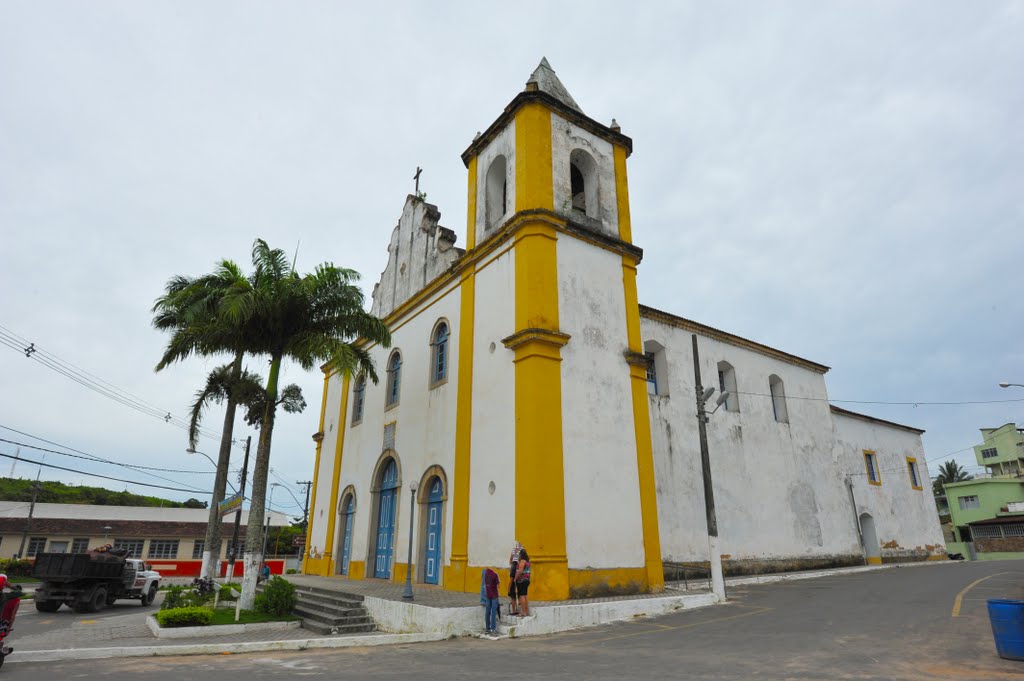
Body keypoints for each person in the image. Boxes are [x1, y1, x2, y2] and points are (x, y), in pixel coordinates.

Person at [482, 567, 500, 638]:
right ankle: (493, 629)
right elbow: (498, 586)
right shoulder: (495, 575)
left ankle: (487, 629)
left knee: (487, 611)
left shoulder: (485, 574)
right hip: (494, 595)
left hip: (488, 594)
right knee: (493, 612)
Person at [514, 547, 531, 617]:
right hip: (527, 580)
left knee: (522, 596)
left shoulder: (522, 562)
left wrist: (515, 578)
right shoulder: (527, 562)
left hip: (521, 580)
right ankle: (526, 611)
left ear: (521, 555)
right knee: (525, 595)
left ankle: (524, 612)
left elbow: (520, 571)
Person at [508, 542, 522, 615]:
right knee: (517, 593)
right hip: (517, 566)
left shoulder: (518, 550)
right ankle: (516, 609)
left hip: (516, 566)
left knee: (513, 594)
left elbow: (511, 559)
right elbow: (511, 559)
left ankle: (515, 610)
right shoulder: (520, 550)